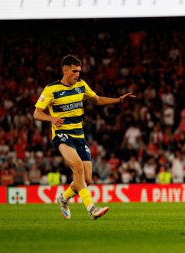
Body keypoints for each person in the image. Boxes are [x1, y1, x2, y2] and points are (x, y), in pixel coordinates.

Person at [33, 54, 135, 220]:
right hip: (62, 134)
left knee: (87, 179)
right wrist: (52, 119)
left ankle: (63, 198)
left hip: (79, 135)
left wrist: (118, 100)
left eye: (79, 71)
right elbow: (36, 113)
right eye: (74, 71)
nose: (77, 74)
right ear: (64, 71)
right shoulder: (51, 89)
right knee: (77, 167)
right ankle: (91, 208)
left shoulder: (81, 85)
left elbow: (97, 99)